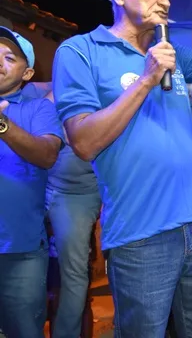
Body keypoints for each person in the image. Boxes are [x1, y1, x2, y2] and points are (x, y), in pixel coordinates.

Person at [52, 0, 192, 337]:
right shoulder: (80, 51)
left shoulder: (171, 52)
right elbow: (83, 142)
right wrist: (146, 80)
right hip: (141, 233)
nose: (164, 1)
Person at [21, 83, 101, 338]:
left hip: (78, 195)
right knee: (16, 261)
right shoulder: (36, 91)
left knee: (74, 274)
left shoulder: (105, 92)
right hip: (34, 185)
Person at [0, 27, 64, 337]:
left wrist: (3, 124)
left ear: (27, 73)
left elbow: (47, 154)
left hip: (20, 250)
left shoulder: (39, 109)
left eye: (8, 57)